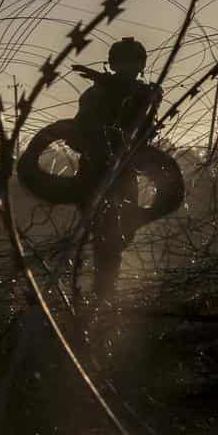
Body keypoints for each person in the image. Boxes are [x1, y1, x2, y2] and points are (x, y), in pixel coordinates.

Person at [67, 37, 163, 303]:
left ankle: (101, 296)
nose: (128, 68)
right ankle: (97, 297)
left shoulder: (145, 94)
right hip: (96, 173)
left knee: (115, 238)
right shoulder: (96, 95)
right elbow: (76, 136)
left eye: (132, 63)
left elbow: (141, 116)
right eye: (124, 63)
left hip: (121, 174)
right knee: (103, 239)